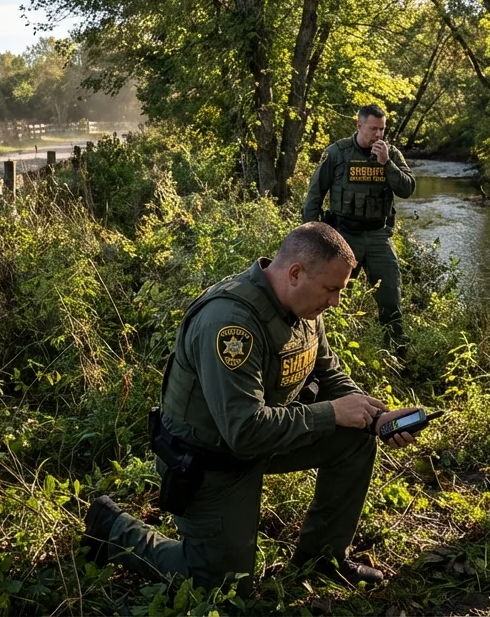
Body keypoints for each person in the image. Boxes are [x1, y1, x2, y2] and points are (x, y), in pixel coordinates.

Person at [82, 223, 424, 589]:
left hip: (266, 437)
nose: (335, 301)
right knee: (222, 585)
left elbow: (328, 374)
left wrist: (372, 416)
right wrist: (332, 413)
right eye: (331, 289)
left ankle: (322, 558)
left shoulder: (304, 308)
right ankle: (114, 528)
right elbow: (243, 431)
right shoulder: (231, 324)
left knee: (356, 437)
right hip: (210, 461)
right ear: (295, 273)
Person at [302, 106, 416, 353]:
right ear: (359, 126)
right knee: (329, 292)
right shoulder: (337, 153)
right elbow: (314, 195)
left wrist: (386, 164)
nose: (378, 135)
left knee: (390, 295)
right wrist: (311, 235)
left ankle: (397, 352)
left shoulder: (391, 154)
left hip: (378, 236)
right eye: (373, 129)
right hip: (344, 235)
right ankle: (320, 348)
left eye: (382, 129)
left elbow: (407, 189)